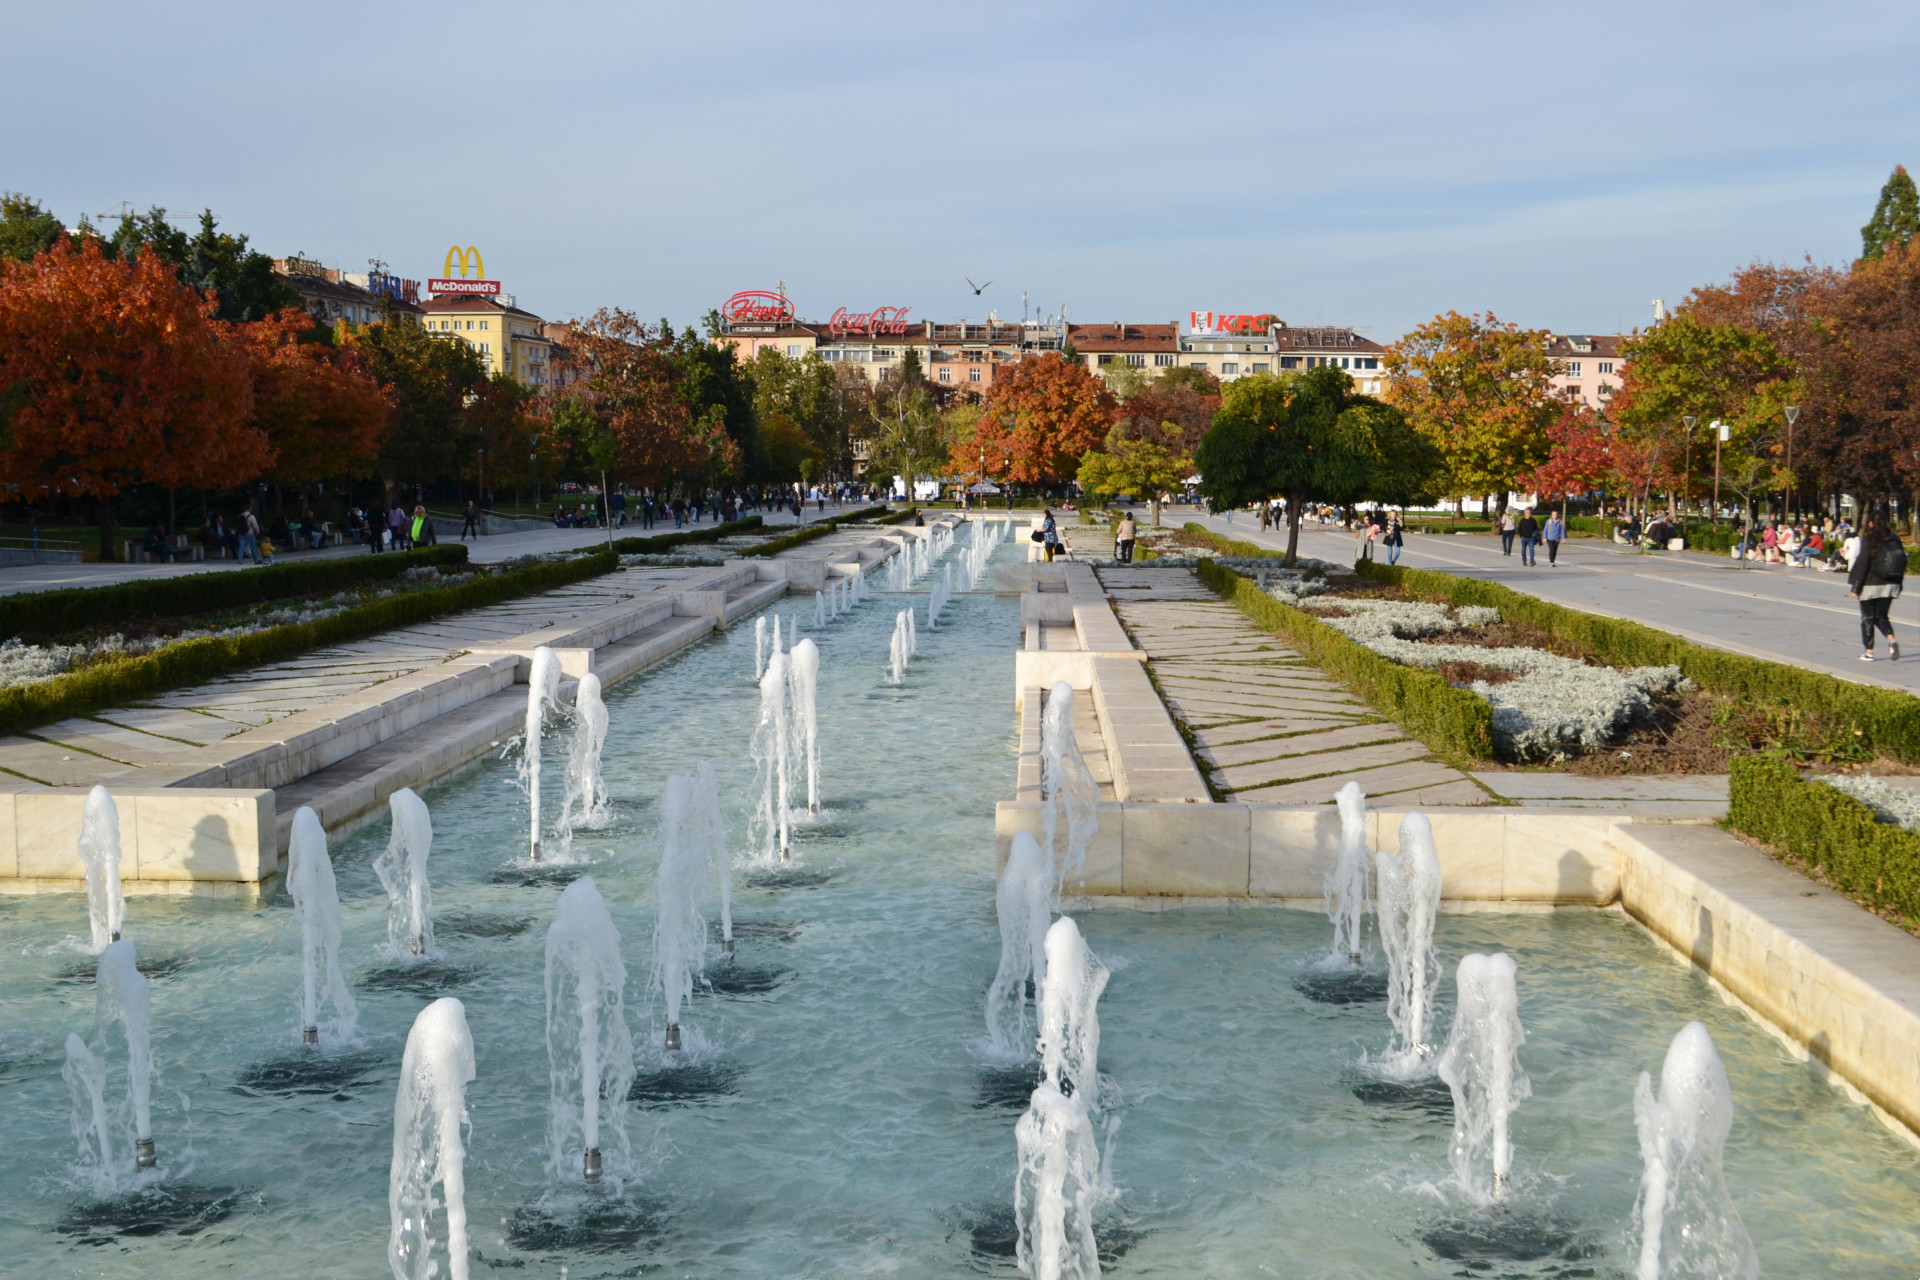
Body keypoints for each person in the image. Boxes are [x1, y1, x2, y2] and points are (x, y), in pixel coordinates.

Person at [1848, 511, 1905, 661]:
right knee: (1882, 616)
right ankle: (1891, 640)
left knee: (1867, 618)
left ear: (1871, 523)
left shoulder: (1869, 539)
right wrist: (1899, 584)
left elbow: (1863, 563)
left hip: (1871, 584)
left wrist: (1856, 586)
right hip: (1891, 585)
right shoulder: (1895, 539)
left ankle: (1869, 652)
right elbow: (1900, 562)